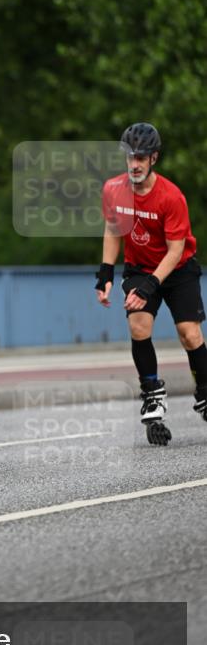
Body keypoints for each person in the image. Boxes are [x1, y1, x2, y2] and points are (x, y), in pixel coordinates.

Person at [95, 122, 206, 443]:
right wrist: (106, 272)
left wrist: (150, 286)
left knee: (189, 333)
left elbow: (175, 251)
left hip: (178, 269)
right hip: (140, 268)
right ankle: (152, 395)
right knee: (139, 326)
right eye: (130, 157)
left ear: (153, 158)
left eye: (141, 158)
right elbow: (113, 230)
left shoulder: (171, 197)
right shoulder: (113, 189)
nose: (135, 164)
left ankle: (205, 392)